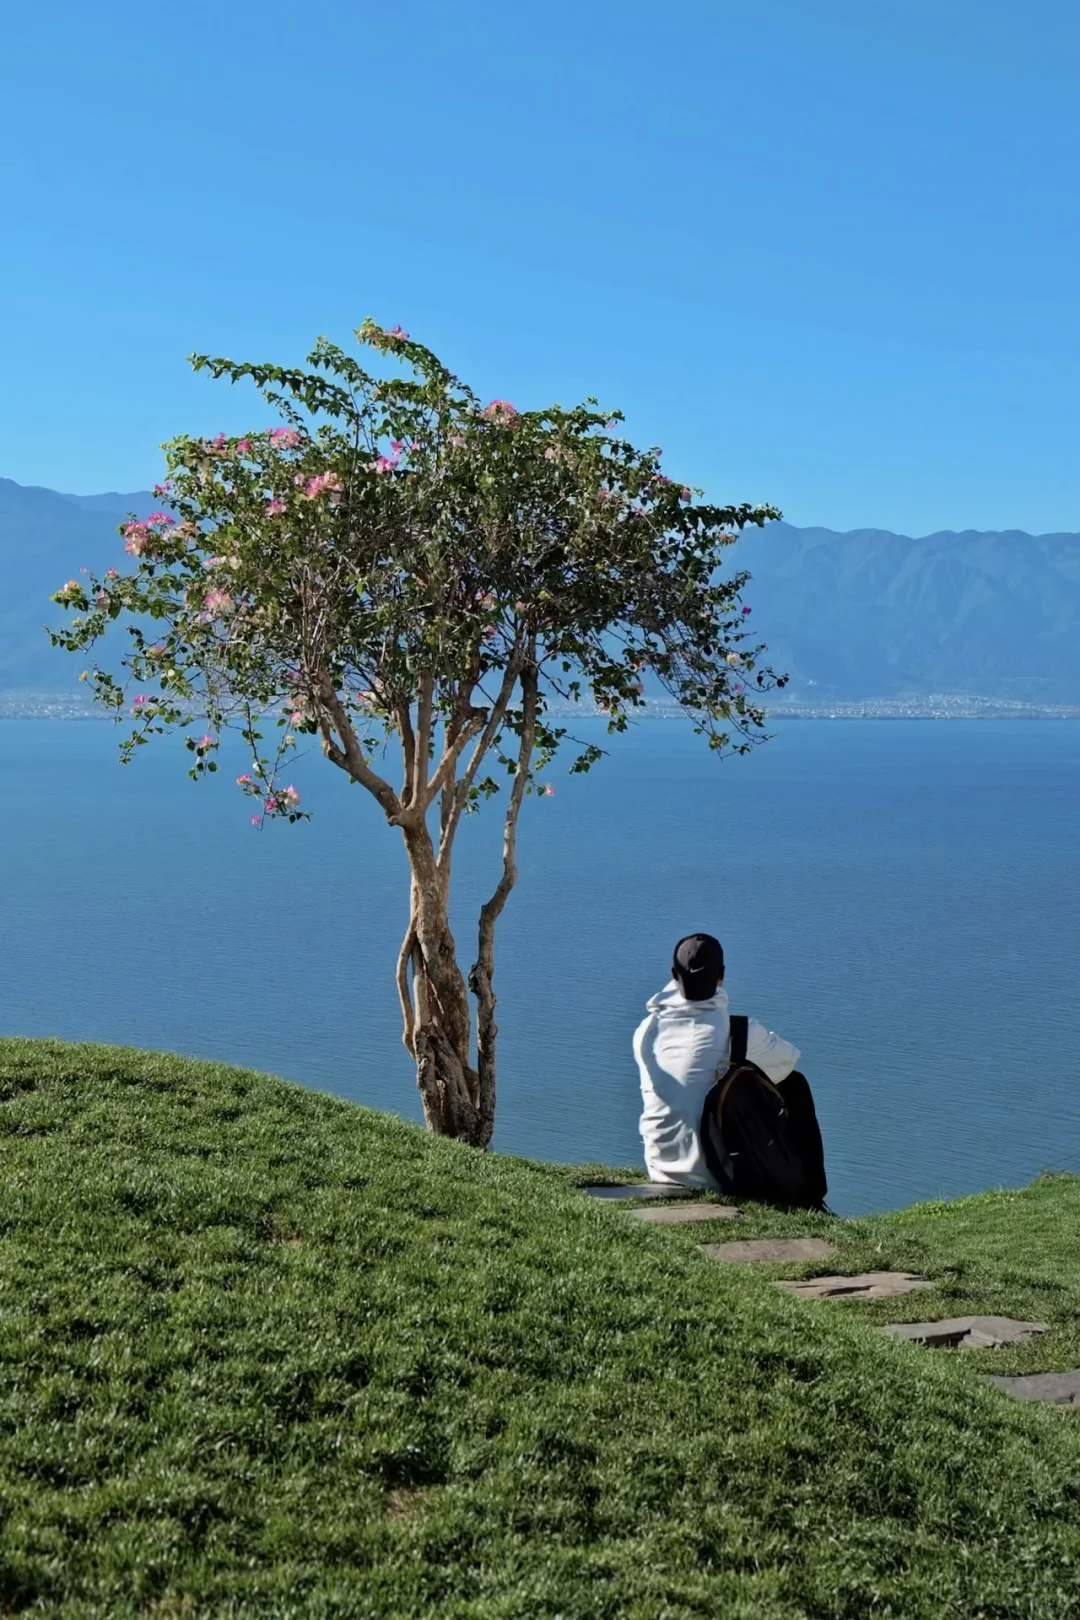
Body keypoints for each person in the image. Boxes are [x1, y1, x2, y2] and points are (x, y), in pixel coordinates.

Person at [633, 932, 802, 1189]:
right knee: (794, 1084)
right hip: (716, 1179)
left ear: (673, 974)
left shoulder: (647, 1032)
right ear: (722, 974)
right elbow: (789, 1060)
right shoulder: (738, 1032)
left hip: (660, 1170)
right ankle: (807, 1190)